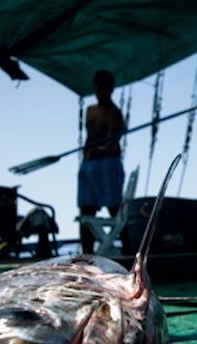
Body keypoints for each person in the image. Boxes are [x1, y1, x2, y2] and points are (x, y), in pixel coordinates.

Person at [78, 69, 126, 254]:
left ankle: (129, 251)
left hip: (108, 164)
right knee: (85, 212)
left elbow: (112, 145)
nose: (102, 92)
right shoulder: (89, 111)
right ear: (94, 88)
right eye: (99, 88)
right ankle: (86, 255)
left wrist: (97, 150)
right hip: (88, 165)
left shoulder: (115, 113)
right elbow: (90, 138)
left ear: (112, 89)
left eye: (106, 88)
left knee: (115, 209)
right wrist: (89, 151)